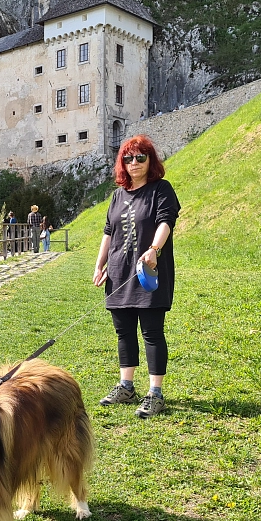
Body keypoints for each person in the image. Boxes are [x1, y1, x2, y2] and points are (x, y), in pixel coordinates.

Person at [92, 135, 180, 419]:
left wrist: (155, 249)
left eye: (140, 157)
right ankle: (126, 387)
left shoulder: (160, 189)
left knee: (152, 332)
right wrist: (100, 264)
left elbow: (166, 220)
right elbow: (109, 231)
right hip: (119, 271)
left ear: (150, 160)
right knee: (124, 331)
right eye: (128, 158)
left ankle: (155, 394)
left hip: (147, 272)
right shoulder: (118, 195)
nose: (134, 163)